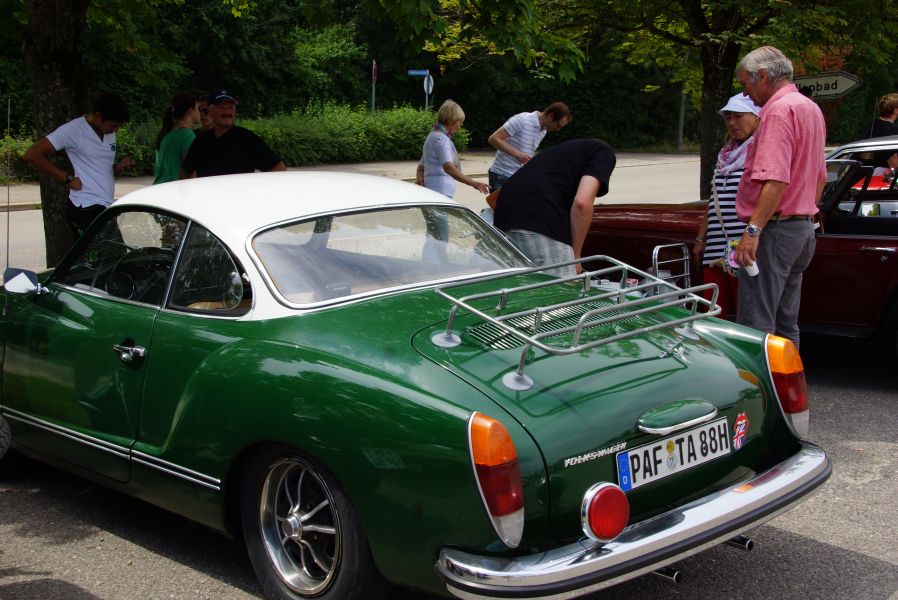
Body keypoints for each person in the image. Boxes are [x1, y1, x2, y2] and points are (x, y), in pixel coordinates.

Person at [733, 46, 827, 349]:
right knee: (787, 324)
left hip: (776, 229)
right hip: (801, 228)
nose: (745, 93)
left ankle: (759, 381)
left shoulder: (777, 111)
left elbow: (775, 179)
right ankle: (789, 379)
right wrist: (805, 214)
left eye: (745, 83)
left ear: (762, 76)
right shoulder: (809, 108)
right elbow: (820, 176)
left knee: (757, 325)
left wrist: (753, 231)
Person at [493, 138, 616, 276]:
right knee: (561, 286)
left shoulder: (563, 153)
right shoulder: (603, 152)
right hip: (538, 218)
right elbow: (582, 203)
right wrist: (576, 257)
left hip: (503, 216)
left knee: (525, 285)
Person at [23, 92, 135, 236]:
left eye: (118, 126)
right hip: (85, 207)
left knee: (112, 250)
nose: (115, 130)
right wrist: (67, 179)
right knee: (113, 249)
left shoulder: (108, 131)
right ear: (98, 115)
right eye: (113, 126)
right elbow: (32, 155)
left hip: (105, 205)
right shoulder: (73, 130)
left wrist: (119, 167)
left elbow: (100, 165)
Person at [693, 93, 761, 318]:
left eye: (738, 116)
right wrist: (702, 237)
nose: (732, 123)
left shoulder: (760, 152)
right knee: (713, 314)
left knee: (746, 315)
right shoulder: (726, 154)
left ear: (756, 117)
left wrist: (751, 237)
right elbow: (714, 200)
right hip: (716, 246)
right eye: (728, 117)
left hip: (744, 247)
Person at [180, 90, 286, 178]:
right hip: (208, 197)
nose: (227, 112)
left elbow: (279, 168)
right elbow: (185, 173)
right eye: (222, 108)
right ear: (210, 111)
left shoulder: (247, 139)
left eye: (230, 108)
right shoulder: (201, 141)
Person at [487, 102, 572, 190]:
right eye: (558, 125)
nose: (558, 129)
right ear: (551, 115)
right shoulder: (522, 120)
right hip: (501, 175)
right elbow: (493, 139)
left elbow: (525, 152)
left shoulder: (543, 131)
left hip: (518, 177)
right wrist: (517, 154)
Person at [415, 99, 490, 198]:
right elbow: (448, 167)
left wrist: (420, 179)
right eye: (459, 122)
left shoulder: (432, 135)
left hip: (433, 191)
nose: (459, 127)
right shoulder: (441, 139)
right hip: (440, 192)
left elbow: (420, 168)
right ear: (451, 121)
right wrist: (474, 183)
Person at [153, 92, 200, 184]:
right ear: (190, 110)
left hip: (159, 187)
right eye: (198, 108)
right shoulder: (187, 135)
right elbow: (191, 171)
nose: (200, 112)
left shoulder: (166, 133)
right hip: (175, 188)